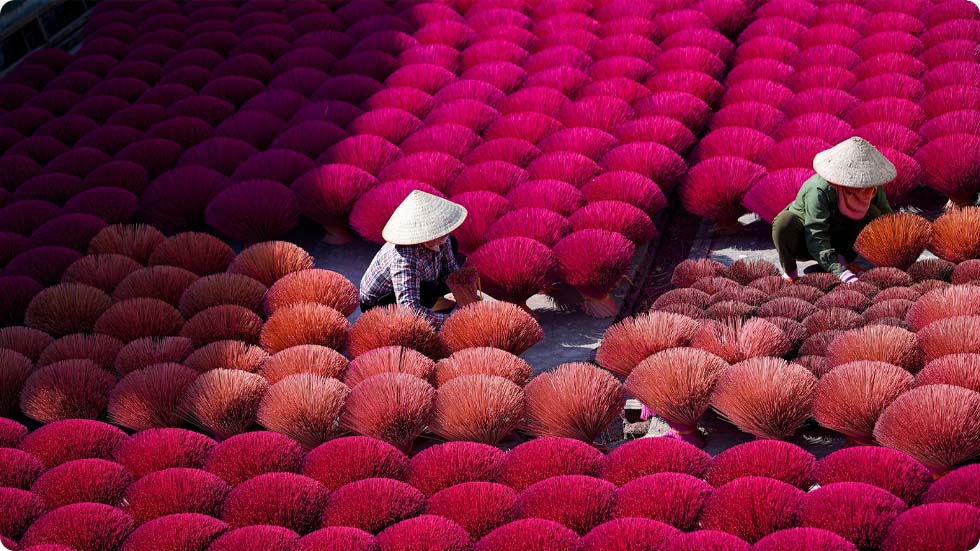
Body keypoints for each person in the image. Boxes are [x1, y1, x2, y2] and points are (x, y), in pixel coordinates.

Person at [772, 136, 896, 283]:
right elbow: (816, 234)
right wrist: (840, 273)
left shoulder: (872, 185)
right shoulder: (819, 189)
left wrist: (896, 251)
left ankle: (846, 261)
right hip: (806, 242)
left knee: (875, 214)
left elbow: (888, 219)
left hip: (844, 240)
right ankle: (791, 273)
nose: (862, 185)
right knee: (784, 223)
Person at [359, 190, 468, 327]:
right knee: (429, 293)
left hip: (420, 280)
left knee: (452, 242)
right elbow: (409, 310)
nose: (444, 237)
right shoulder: (404, 259)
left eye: (443, 231)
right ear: (425, 236)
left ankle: (436, 304)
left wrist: (463, 292)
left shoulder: (441, 237)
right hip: (382, 303)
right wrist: (449, 320)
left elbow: (450, 270)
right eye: (439, 234)